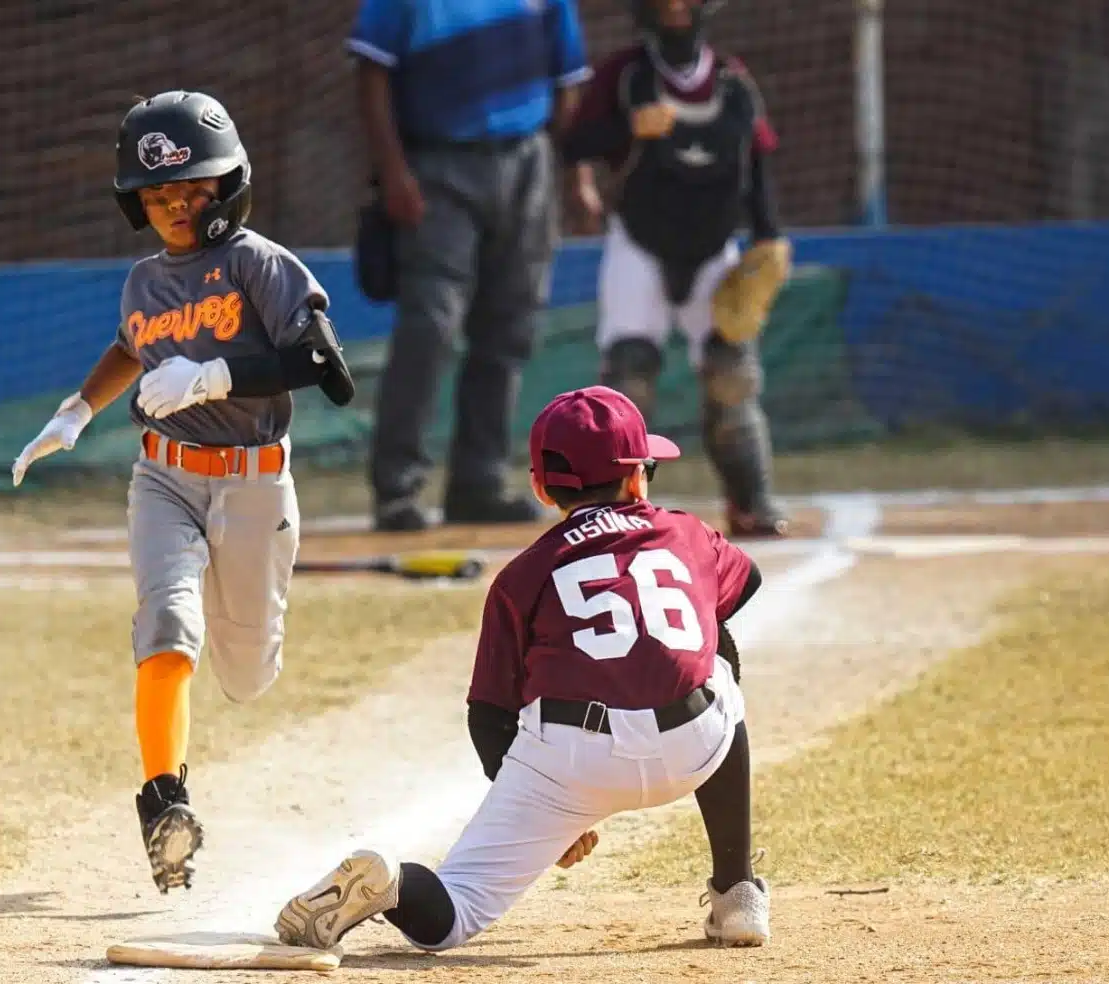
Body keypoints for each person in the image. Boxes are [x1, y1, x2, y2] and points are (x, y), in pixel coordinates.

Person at [273, 385, 770, 953]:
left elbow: (487, 717)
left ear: (540, 487)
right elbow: (746, 582)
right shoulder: (684, 531)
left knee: (453, 916)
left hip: (571, 758)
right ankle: (737, 892)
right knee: (718, 672)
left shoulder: (524, 574)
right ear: (637, 478)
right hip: (692, 743)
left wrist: (551, 809)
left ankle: (393, 883)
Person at [9, 90, 355, 894]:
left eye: (190, 191)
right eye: (158, 195)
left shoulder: (259, 264)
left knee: (245, 673)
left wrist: (217, 374)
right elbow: (131, 346)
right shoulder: (143, 281)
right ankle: (166, 802)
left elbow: (325, 370)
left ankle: (242, 652)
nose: (173, 207)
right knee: (165, 622)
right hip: (163, 475)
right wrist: (77, 410)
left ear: (228, 184)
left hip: (254, 484)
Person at [346, 0, 596, 532]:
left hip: (527, 160)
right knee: (430, 325)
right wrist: (391, 171)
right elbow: (372, 75)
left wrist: (577, 177)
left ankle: (478, 483)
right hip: (438, 165)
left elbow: (566, 79)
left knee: (510, 329)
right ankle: (398, 488)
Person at [561, 0, 795, 537]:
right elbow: (573, 143)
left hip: (713, 247)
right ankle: (612, 513)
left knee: (731, 373)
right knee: (629, 376)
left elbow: (756, 161)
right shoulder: (626, 76)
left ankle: (750, 500)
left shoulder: (734, 82)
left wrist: (768, 235)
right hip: (640, 243)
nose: (675, 11)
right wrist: (626, 129)